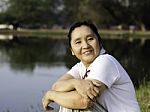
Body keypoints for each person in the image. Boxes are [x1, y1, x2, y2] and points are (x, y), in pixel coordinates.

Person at [42, 21, 140, 112]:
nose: (85, 45)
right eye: (78, 42)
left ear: (100, 42)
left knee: (71, 103)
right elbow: (56, 86)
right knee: (66, 96)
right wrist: (75, 83)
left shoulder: (105, 61)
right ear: (72, 50)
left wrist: (50, 95)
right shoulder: (81, 66)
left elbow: (84, 101)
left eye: (90, 39)